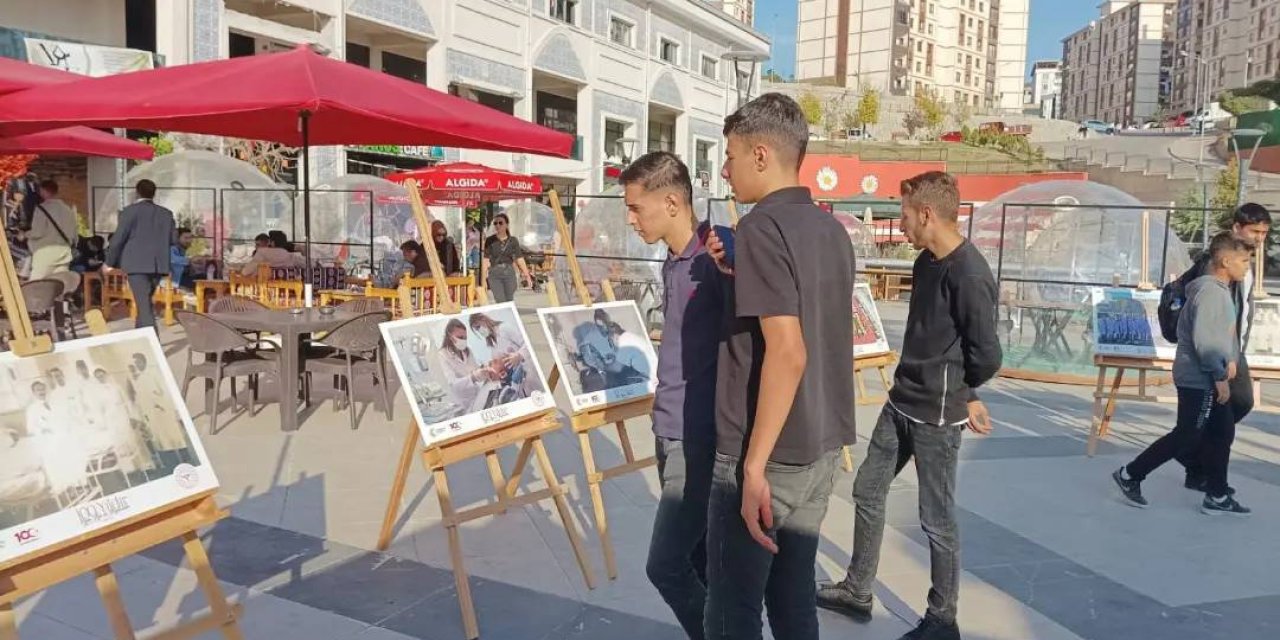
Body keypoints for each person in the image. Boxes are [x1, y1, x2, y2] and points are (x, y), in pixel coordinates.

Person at [816, 171, 1002, 640]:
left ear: (926, 214)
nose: (899, 225)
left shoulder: (971, 273)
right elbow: (936, 338)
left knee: (935, 519)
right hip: (901, 401)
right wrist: (967, 391)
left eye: (902, 216)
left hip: (936, 417)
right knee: (867, 490)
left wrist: (962, 392)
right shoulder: (925, 263)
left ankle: (943, 619)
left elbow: (986, 353)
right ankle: (858, 589)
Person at [702, 92, 855, 640]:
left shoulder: (761, 228)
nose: (726, 168)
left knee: (731, 610)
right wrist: (734, 274)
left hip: (769, 453)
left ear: (761, 155)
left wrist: (752, 467)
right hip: (819, 444)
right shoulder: (831, 230)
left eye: (732, 155)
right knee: (793, 602)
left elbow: (789, 351)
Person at [620, 150, 727, 639]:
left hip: (696, 436)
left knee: (664, 565)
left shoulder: (714, 264)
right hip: (668, 429)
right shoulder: (674, 261)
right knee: (698, 560)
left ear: (670, 201)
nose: (631, 217)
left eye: (636, 207)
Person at [1113, 233, 1254, 515]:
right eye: (1244, 261)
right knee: (1187, 434)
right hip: (1199, 378)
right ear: (1226, 261)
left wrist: (1232, 360)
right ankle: (1131, 474)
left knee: (1222, 431)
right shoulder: (1211, 292)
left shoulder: (1217, 290)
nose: (1247, 267)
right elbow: (1206, 341)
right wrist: (1219, 376)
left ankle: (1216, 493)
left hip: (1208, 374)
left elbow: (1222, 335)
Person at [1172, 203, 1271, 493]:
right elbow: (1211, 315)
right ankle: (1196, 463)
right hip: (1217, 352)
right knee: (1219, 418)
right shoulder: (1219, 262)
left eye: (1264, 232)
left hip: (1232, 350)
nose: (1260, 238)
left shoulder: (1245, 261)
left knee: (1237, 405)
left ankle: (1196, 461)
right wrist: (1220, 359)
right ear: (1237, 228)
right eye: (1255, 231)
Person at [105, 179, 176, 330]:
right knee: (144, 302)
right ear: (154, 193)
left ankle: (153, 345)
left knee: (144, 306)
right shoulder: (166, 214)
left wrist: (109, 263)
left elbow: (118, 239)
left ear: (137, 192)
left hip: (136, 265)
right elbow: (173, 239)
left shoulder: (129, 211)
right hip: (158, 265)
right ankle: (140, 336)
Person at [437, 318, 500, 411]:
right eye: (460, 337)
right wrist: (473, 377)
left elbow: (475, 370)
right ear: (450, 336)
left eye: (465, 338)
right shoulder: (442, 355)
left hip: (477, 395)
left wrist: (484, 369)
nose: (463, 340)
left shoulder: (467, 351)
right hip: (462, 404)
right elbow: (453, 385)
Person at [26, 179, 78, 280]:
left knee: (37, 284)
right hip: (64, 252)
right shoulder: (68, 210)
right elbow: (75, 234)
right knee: (60, 286)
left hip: (45, 253)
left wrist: (26, 234)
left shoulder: (41, 209)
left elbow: (37, 232)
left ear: (43, 191)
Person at [483, 213, 533, 303]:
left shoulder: (513, 240)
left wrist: (527, 275)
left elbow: (519, 258)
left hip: (509, 272)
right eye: (495, 223)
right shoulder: (490, 240)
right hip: (495, 273)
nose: (498, 225)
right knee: (500, 300)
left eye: (500, 223)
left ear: (506, 224)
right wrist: (483, 279)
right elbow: (485, 260)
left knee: (509, 300)